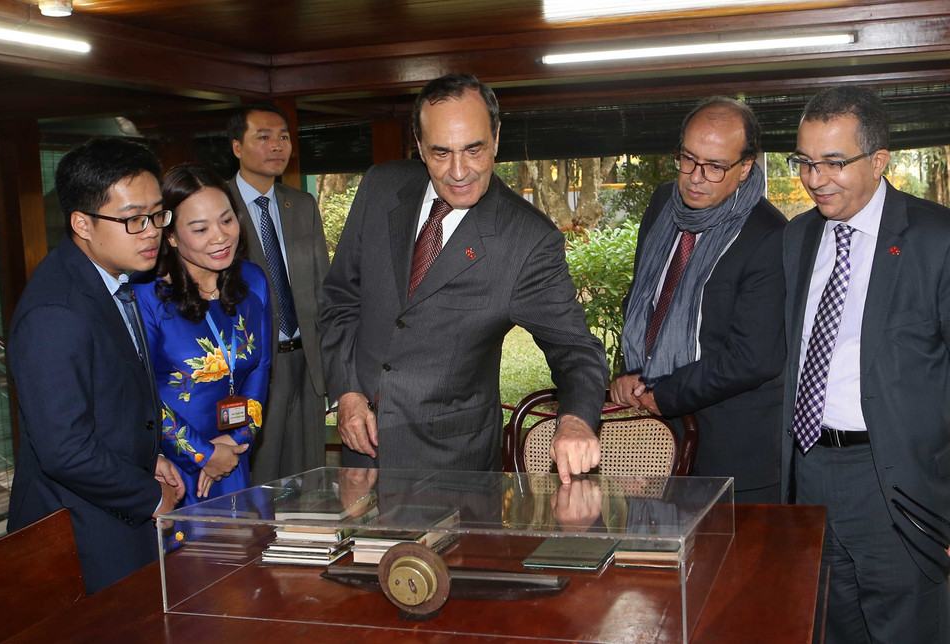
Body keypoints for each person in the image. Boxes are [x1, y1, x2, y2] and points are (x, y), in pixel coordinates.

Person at [320, 73, 608, 483]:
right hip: (362, 452)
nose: (459, 171)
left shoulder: (527, 240)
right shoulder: (381, 187)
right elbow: (339, 300)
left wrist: (576, 421)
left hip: (451, 466)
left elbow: (577, 351)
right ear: (418, 145)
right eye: (441, 153)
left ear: (495, 137)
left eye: (474, 150)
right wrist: (348, 393)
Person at [783, 86, 950, 643]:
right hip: (807, 474)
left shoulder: (935, 238)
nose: (815, 178)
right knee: (828, 627)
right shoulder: (797, 237)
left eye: (834, 162)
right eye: (805, 162)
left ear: (879, 161)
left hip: (898, 483)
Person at [6, 137, 185, 594]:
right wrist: (148, 495)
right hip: (80, 531)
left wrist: (149, 458)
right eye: (132, 220)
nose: (151, 231)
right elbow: (65, 449)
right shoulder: (57, 311)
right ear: (82, 223)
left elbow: (113, 400)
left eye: (157, 214)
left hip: (112, 506)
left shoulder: (109, 277)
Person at [610, 97, 786, 502]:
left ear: (745, 167)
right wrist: (632, 372)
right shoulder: (661, 205)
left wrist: (664, 392)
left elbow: (754, 357)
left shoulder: (770, 235)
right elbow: (645, 302)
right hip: (654, 440)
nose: (694, 177)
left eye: (714, 166)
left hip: (732, 453)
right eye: (687, 159)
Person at [135, 164, 272, 535]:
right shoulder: (147, 298)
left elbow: (260, 368)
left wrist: (236, 442)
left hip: (233, 456)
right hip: (177, 467)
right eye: (200, 229)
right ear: (172, 237)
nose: (220, 237)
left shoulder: (253, 281)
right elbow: (140, 394)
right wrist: (203, 454)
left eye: (227, 220)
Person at [226, 102, 330, 484]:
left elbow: (323, 289)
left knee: (309, 480)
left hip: (306, 363)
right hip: (252, 368)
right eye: (264, 137)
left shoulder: (301, 205)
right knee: (258, 476)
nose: (277, 146)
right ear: (237, 147)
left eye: (283, 137)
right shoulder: (218, 207)